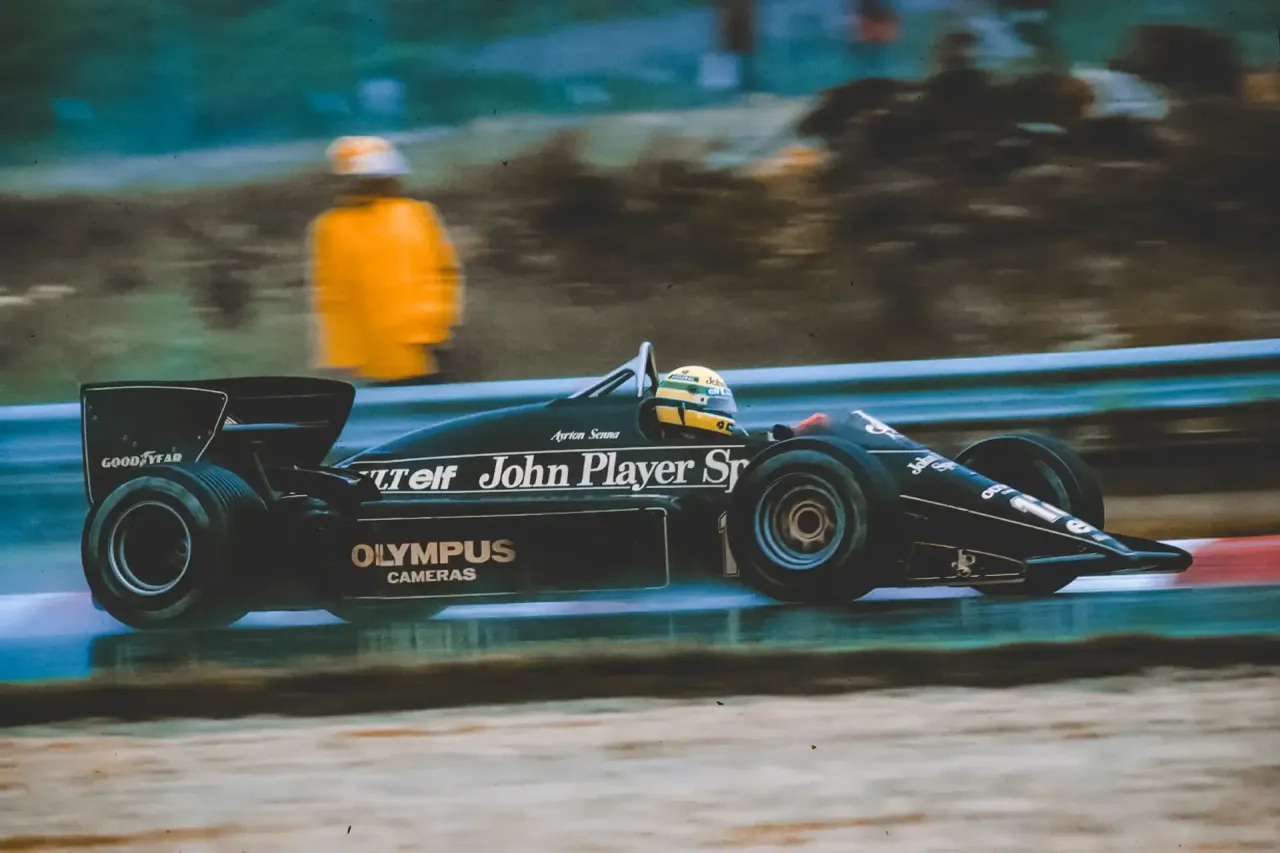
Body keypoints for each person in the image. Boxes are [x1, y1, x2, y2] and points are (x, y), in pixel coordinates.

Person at [306, 135, 463, 387]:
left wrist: (438, 329)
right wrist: (340, 355)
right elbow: (333, 295)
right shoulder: (331, 227)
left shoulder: (417, 214)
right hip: (374, 355)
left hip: (425, 346)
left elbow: (442, 274)